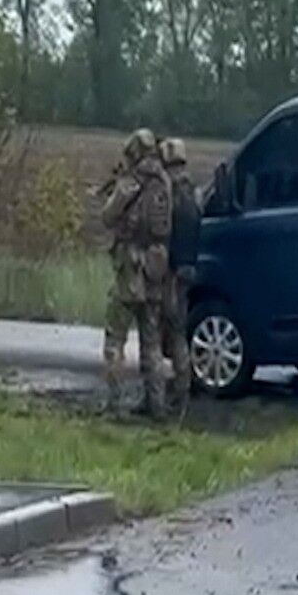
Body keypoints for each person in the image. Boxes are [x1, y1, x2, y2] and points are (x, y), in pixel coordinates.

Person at [99, 128, 173, 419]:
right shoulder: (164, 181)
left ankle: (114, 404)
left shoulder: (132, 182)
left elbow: (107, 217)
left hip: (130, 269)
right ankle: (156, 405)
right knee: (152, 341)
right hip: (156, 267)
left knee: (115, 338)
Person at [160, 137, 201, 416]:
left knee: (173, 330)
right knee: (179, 326)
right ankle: (182, 384)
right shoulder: (194, 192)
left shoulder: (171, 192)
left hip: (173, 270)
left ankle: (181, 388)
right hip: (191, 267)